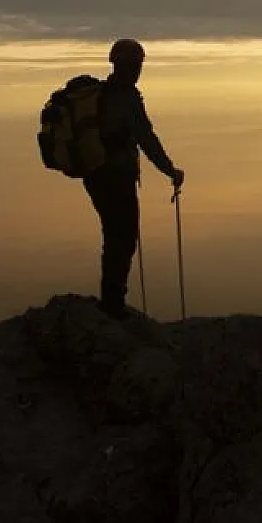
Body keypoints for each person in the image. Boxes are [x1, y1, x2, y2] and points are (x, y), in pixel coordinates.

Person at [84, 38, 184, 318]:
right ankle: (113, 304)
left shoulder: (102, 95)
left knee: (114, 234)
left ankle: (111, 299)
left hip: (95, 176)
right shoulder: (126, 98)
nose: (138, 71)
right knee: (123, 237)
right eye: (137, 65)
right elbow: (146, 139)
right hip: (117, 177)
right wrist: (170, 170)